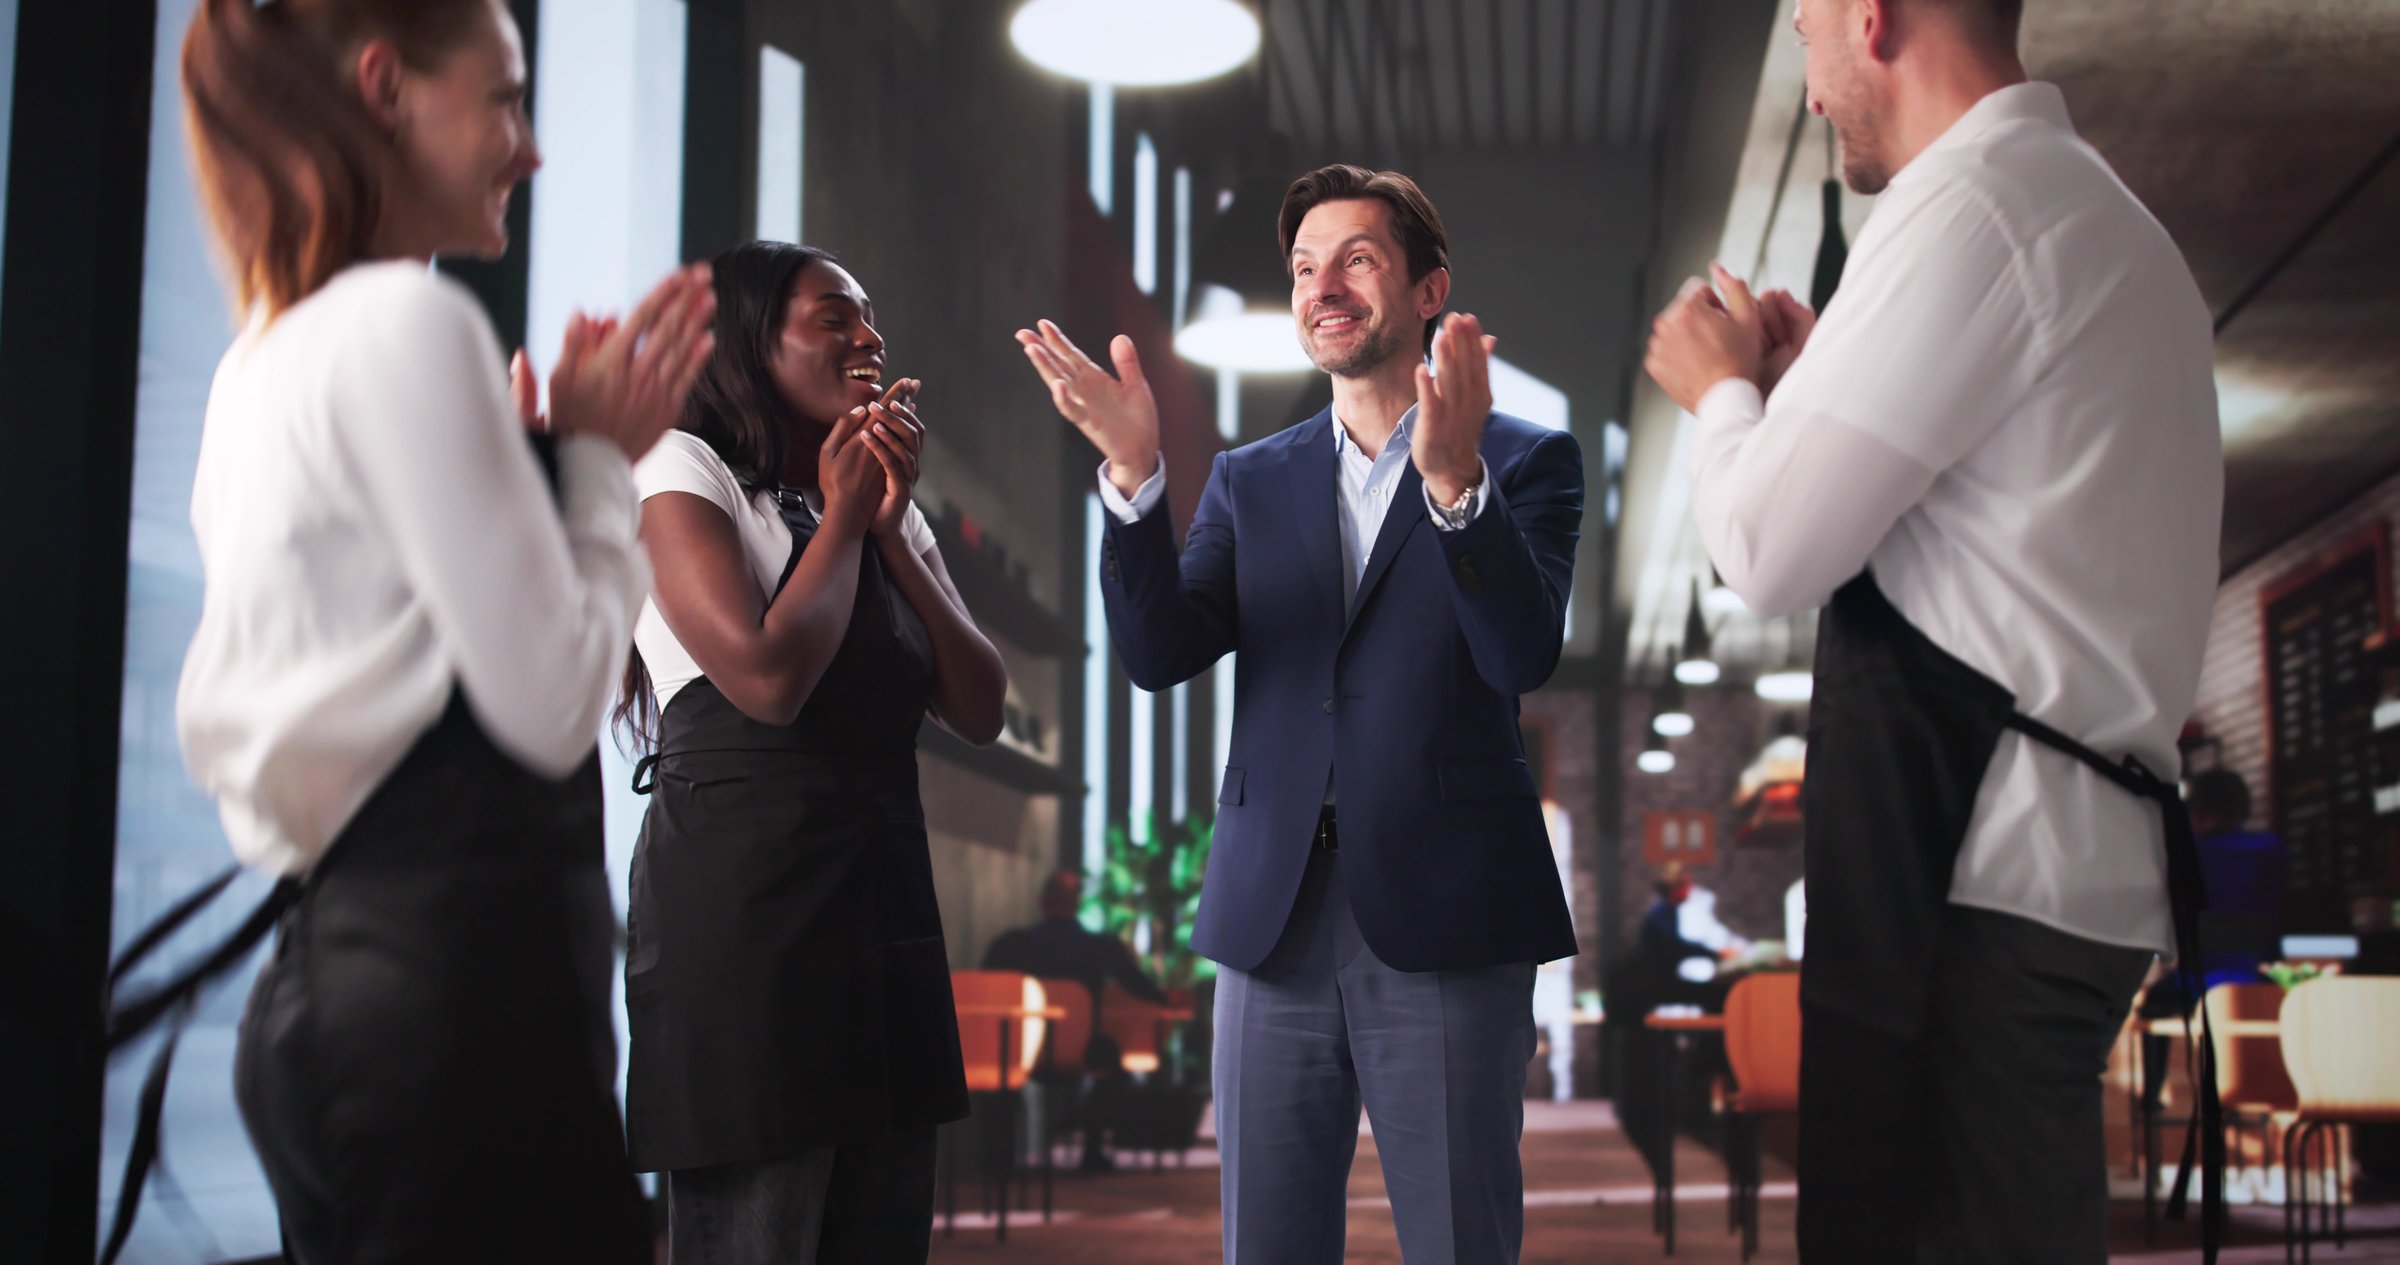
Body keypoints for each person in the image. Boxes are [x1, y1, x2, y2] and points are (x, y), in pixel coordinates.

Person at [1643, 0, 2223, 1258]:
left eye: (1803, 33)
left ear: (1873, 16)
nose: (1806, 85)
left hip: (1986, 871)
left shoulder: (1975, 208)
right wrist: (1803, 397)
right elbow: (1981, 532)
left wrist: (1721, 392)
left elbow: (1767, 548)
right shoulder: (2091, 212)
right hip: (2063, 858)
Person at [172, 1, 715, 1260]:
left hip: (329, 1004)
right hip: (460, 1012)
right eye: (506, 99)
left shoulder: (259, 363)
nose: (530, 148)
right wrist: (591, 459)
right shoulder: (406, 325)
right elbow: (552, 700)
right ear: (385, 88)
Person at [1018, 163, 1582, 1264]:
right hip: (1270, 920)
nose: (1324, 284)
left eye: (1358, 258)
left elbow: (1522, 651)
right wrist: (1135, 476)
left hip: (1447, 915)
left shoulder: (1525, 459)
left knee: (1462, 1241)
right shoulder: (1246, 480)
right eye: (1305, 267)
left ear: (1429, 289)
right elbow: (1155, 653)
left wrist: (1457, 486)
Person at [619, 239, 1008, 1265]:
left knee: (880, 1229)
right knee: (761, 1233)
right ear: (750, 340)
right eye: (836, 314)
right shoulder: (682, 466)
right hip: (746, 918)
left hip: (882, 900)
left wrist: (886, 534)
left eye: (871, 314)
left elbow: (981, 703)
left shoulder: (880, 502)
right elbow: (764, 678)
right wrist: (846, 519)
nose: (869, 334)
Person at [982, 870, 1169, 1170]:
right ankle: (1090, 1146)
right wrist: (1167, 1001)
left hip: (1026, 1052)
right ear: (1078, 903)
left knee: (1001, 1060)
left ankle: (998, 1159)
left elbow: (988, 986)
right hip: (1083, 1051)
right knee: (1112, 1059)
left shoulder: (1011, 945)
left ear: (1042, 900)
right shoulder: (1101, 947)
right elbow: (1137, 985)